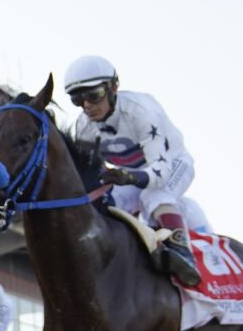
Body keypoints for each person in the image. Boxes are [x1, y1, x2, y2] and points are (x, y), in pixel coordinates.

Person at [63, 55, 203, 286]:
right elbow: (89, 179)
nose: (87, 105)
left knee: (154, 195)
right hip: (131, 174)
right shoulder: (84, 127)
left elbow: (160, 172)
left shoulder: (141, 112)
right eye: (77, 99)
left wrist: (128, 176)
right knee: (105, 206)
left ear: (113, 88)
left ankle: (181, 252)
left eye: (93, 95)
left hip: (172, 164)